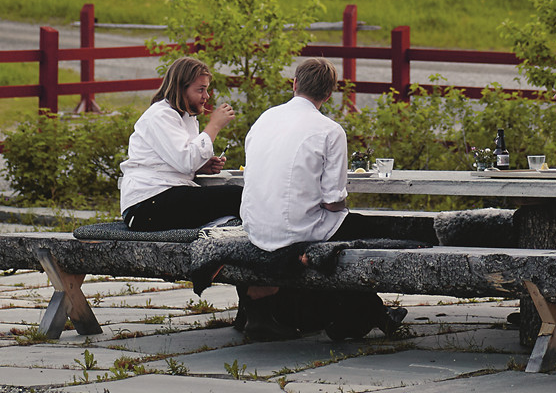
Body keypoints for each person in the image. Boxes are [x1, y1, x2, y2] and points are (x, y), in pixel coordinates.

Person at [239, 58, 406, 342]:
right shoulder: (330, 130)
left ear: (294, 84)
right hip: (297, 230)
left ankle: (370, 313)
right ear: (329, 94)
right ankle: (366, 314)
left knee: (350, 231)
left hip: (255, 225)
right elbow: (332, 201)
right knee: (364, 231)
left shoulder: (264, 119)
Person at [119, 56, 242, 230]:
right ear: (181, 89)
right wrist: (214, 125)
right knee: (238, 196)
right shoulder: (160, 115)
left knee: (237, 197)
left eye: (206, 90)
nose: (206, 96)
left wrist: (201, 166)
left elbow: (176, 161)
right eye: (200, 90)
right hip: (146, 203)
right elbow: (186, 161)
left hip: (163, 196)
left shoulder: (185, 117)